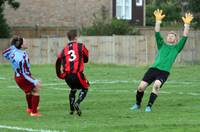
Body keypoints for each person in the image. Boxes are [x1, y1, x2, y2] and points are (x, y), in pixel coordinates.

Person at [130, 9, 193, 112]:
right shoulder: (161, 44)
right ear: (166, 38)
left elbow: (185, 36)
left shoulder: (177, 48)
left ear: (175, 40)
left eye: (173, 36)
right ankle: (137, 104)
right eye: (169, 36)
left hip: (164, 72)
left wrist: (186, 24)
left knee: (156, 85)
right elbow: (157, 32)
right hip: (153, 69)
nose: (170, 37)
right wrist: (158, 21)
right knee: (141, 87)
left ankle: (149, 106)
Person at [2, 36, 42, 117]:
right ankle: (34, 112)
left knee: (28, 92)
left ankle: (30, 108)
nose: (27, 43)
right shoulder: (21, 57)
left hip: (18, 76)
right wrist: (34, 81)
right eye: (25, 42)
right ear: (21, 45)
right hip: (23, 76)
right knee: (35, 90)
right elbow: (24, 73)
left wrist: (13, 48)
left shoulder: (14, 51)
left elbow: (4, 53)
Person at [56, 30, 90, 116]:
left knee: (73, 89)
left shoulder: (64, 50)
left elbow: (58, 61)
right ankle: (77, 103)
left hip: (67, 76)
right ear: (76, 37)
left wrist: (59, 74)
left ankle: (71, 109)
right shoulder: (81, 46)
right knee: (85, 88)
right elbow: (86, 59)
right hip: (77, 74)